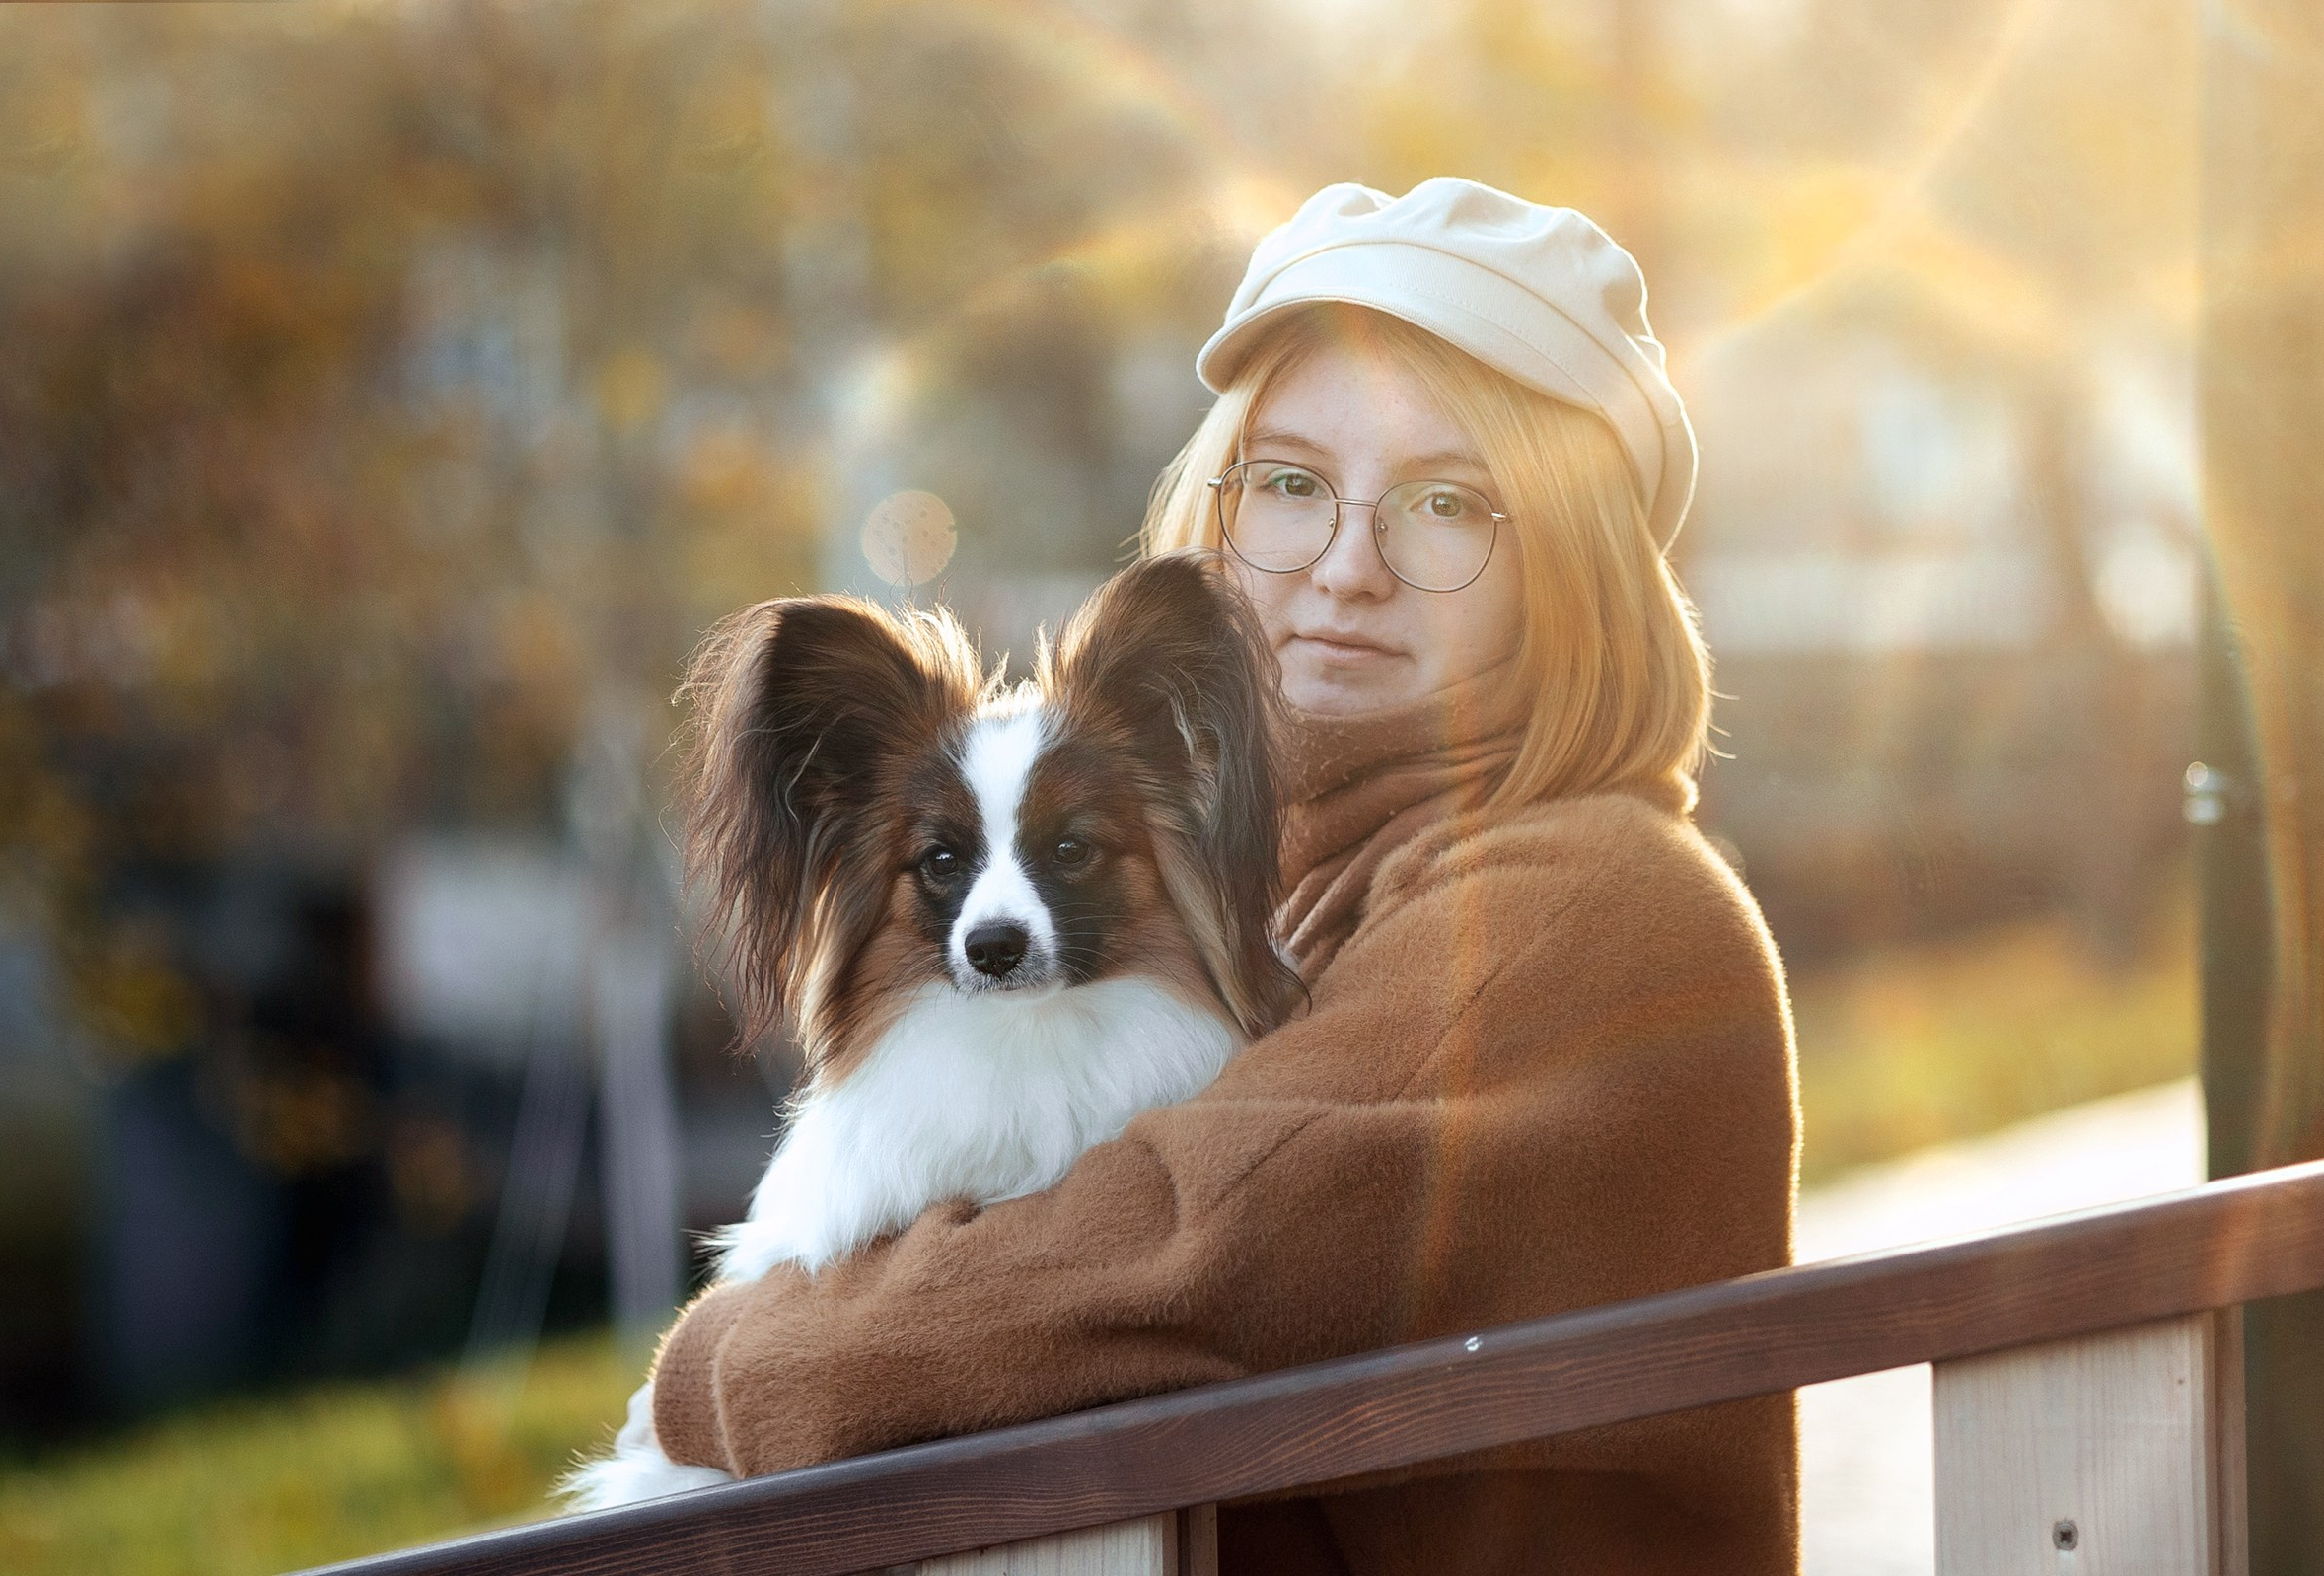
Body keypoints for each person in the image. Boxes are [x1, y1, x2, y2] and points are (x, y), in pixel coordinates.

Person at [648, 179, 1799, 1574]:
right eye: (1294, 484)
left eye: (1447, 503)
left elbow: (1163, 1254)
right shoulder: (1300, 897)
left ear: (1579, 567)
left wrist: (722, 1358)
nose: (1346, 564)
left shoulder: (1583, 907)